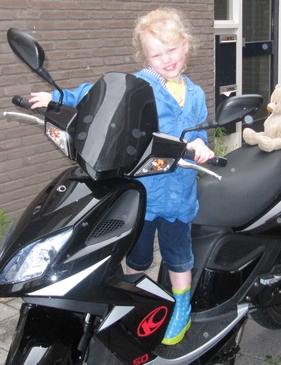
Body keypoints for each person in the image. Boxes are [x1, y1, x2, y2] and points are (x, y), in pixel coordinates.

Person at [29, 8, 214, 345]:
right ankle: (131, 299)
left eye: (172, 49)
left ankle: (182, 306)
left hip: (179, 193)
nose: (166, 59)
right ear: (145, 57)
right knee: (137, 255)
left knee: (178, 255)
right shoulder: (140, 85)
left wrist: (201, 145)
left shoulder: (197, 94)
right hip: (144, 193)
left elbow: (200, 132)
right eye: (156, 54)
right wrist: (56, 97)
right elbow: (97, 93)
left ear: (186, 46)